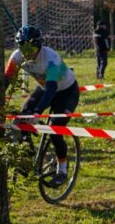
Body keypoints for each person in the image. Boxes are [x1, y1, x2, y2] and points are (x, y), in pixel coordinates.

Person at [6, 25, 80, 186]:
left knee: (54, 130)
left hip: (66, 92)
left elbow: (52, 89)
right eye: (23, 48)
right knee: (22, 118)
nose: (27, 53)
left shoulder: (51, 59)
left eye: (31, 49)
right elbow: (6, 80)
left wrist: (38, 112)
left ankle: (62, 170)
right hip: (44, 87)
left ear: (39, 45)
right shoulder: (17, 57)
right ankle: (28, 154)